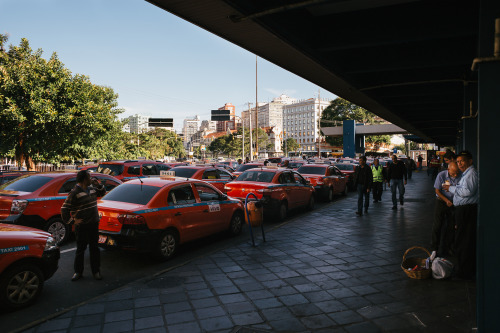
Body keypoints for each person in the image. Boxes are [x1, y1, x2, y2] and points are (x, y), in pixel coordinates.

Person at [61, 170, 106, 281]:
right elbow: (64, 210)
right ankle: (78, 272)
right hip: (82, 227)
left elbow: (102, 193)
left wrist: (98, 184)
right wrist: (73, 221)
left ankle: (96, 271)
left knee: (94, 249)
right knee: (80, 250)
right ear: (85, 179)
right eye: (89, 177)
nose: (91, 179)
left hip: (93, 225)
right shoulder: (74, 192)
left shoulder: (91, 189)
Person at [443, 151, 478, 280]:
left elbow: (468, 191)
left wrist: (452, 188)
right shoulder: (466, 174)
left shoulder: (472, 174)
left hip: (467, 211)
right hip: (462, 211)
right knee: (461, 240)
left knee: (464, 241)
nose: (460, 164)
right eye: (458, 162)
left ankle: (465, 272)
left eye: (462, 161)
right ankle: (463, 269)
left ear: (470, 161)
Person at [431, 162, 461, 258]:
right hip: (441, 201)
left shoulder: (460, 176)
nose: (456, 175)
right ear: (448, 170)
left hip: (453, 203)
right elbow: (437, 191)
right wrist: (446, 200)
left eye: (457, 172)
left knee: (451, 226)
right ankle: (434, 248)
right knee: (438, 225)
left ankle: (447, 248)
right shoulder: (441, 175)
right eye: (453, 173)